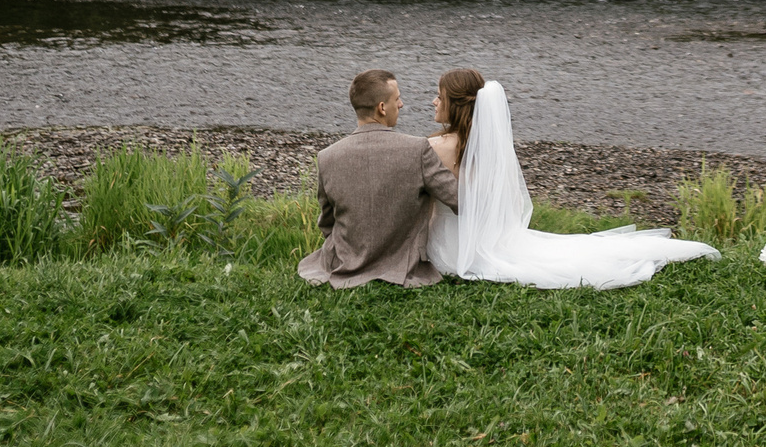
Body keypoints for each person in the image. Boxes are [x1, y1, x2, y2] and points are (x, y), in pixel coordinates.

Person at [425, 68, 720, 289]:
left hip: (452, 244)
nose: (434, 101)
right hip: (489, 237)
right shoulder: (490, 147)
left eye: (440, 96)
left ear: (456, 103)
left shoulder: (434, 147)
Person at [297, 68, 461, 288]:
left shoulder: (327, 157)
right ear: (382, 108)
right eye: (398, 98)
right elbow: (458, 199)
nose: (401, 104)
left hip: (346, 262)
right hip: (403, 266)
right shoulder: (417, 149)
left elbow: (327, 222)